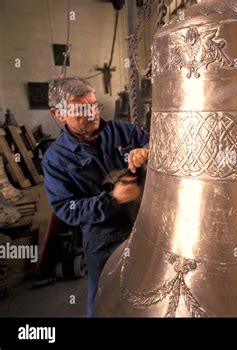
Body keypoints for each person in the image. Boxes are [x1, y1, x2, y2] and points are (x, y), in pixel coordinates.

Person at [42, 77, 149, 317]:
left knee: (149, 289)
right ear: (58, 114)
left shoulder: (122, 131)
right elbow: (68, 209)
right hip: (104, 240)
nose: (91, 113)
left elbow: (161, 145)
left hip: (143, 228)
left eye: (93, 105)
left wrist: (148, 150)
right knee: (104, 298)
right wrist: (113, 199)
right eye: (81, 109)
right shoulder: (56, 159)